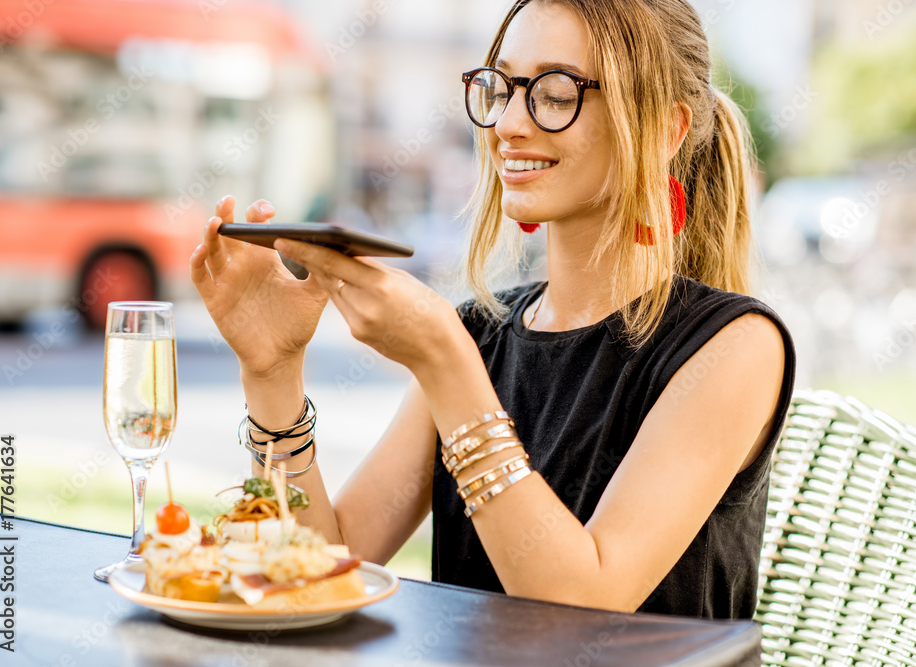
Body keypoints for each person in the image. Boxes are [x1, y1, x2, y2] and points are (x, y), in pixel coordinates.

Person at [190, 0, 795, 620]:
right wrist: (272, 373)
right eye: (502, 87)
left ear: (664, 132)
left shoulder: (735, 346)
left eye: (556, 93)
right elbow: (321, 565)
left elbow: (584, 601)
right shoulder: (478, 333)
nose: (506, 122)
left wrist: (446, 366)